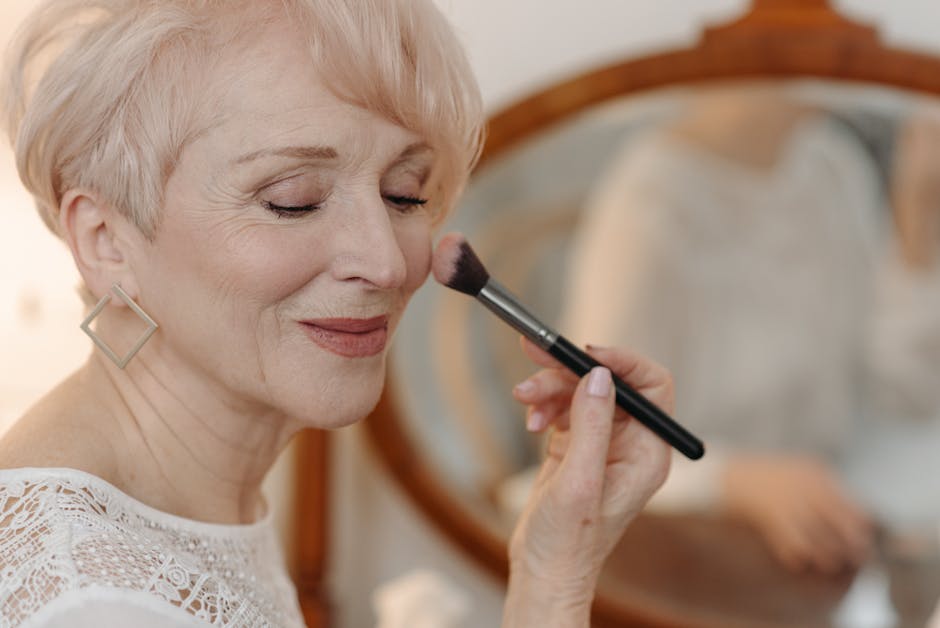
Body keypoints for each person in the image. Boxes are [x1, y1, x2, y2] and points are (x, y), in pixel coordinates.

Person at [0, 1, 672, 626]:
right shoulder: (91, 599)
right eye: (294, 200)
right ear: (105, 241)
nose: (385, 262)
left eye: (404, 193)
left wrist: (552, 569)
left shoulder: (186, 510)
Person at [561, 87, 880, 575]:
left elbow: (893, 386)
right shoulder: (649, 201)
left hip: (817, 548)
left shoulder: (835, 165)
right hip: (682, 554)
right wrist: (733, 481)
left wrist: (921, 233)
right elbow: (594, 443)